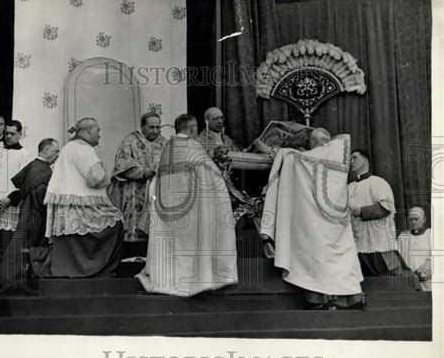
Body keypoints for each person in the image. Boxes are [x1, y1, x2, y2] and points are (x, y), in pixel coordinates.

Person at [136, 114, 238, 296]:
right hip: (193, 210)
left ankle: (169, 279)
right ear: (191, 129)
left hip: (168, 210)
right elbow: (213, 177)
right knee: (195, 245)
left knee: (174, 245)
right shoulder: (193, 146)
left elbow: (157, 180)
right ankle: (198, 281)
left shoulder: (167, 147)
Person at [261, 130, 364, 309]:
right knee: (342, 258)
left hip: (316, 219)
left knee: (315, 256)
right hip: (337, 223)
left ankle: (319, 300)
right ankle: (349, 300)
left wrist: (271, 149)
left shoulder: (308, 157)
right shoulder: (338, 155)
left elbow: (290, 156)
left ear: (314, 142)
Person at [44, 118, 124, 277]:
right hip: (82, 207)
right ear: (88, 130)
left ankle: (69, 271)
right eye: (98, 131)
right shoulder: (83, 148)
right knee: (116, 222)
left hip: (67, 208)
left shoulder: (68, 147)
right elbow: (96, 178)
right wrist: (105, 170)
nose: (99, 135)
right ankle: (98, 270)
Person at [0, 138, 60, 289]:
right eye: (56, 151)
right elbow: (38, 193)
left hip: (30, 210)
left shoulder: (35, 166)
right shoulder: (41, 169)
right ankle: (6, 277)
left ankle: (1, 274)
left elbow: (25, 189)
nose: (58, 154)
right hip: (34, 211)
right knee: (21, 245)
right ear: (46, 150)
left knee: (20, 245)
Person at [108, 112, 167, 257]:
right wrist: (141, 171)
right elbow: (121, 163)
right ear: (142, 127)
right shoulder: (130, 140)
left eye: (158, 128)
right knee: (134, 224)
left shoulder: (164, 142)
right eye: (151, 127)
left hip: (156, 191)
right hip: (134, 191)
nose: (155, 131)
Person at [348, 150, 408, 276]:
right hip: (359, 239)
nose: (351, 161)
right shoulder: (350, 187)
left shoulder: (377, 182)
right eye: (350, 159)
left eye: (354, 158)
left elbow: (387, 208)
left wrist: (362, 211)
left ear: (365, 161)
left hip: (379, 239)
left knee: (398, 277)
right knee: (367, 280)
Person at [0, 120, 33, 232]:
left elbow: (27, 181)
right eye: (6, 133)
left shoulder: (25, 154)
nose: (8, 136)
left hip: (8, 203)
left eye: (12, 134)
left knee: (3, 241)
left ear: (20, 135)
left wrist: (12, 198)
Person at [397, 207, 432, 291]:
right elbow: (398, 258)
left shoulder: (431, 235)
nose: (413, 222)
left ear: (424, 219)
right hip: (408, 281)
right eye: (410, 219)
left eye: (416, 219)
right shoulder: (402, 237)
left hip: (429, 282)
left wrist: (419, 275)